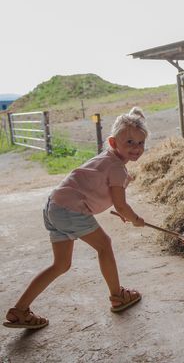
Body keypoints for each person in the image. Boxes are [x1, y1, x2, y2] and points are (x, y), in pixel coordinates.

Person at [3, 107, 148, 329]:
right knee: (105, 246)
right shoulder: (118, 168)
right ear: (113, 142)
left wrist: (121, 211)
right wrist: (135, 218)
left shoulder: (107, 159)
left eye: (140, 143)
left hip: (54, 207)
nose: (136, 148)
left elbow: (102, 191)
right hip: (71, 210)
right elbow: (120, 203)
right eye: (129, 142)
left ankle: (20, 310)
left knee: (61, 264)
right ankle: (117, 296)